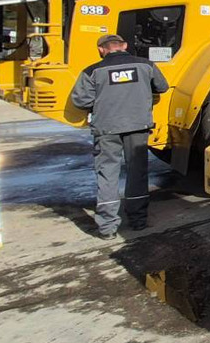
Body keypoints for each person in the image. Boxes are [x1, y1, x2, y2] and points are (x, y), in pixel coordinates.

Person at [69, 34, 169, 239]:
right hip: (138, 126)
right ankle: (138, 221)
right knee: (137, 172)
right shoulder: (145, 65)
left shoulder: (92, 71)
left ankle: (107, 228)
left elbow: (80, 100)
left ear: (101, 49)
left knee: (107, 174)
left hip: (106, 129)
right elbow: (162, 87)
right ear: (124, 46)